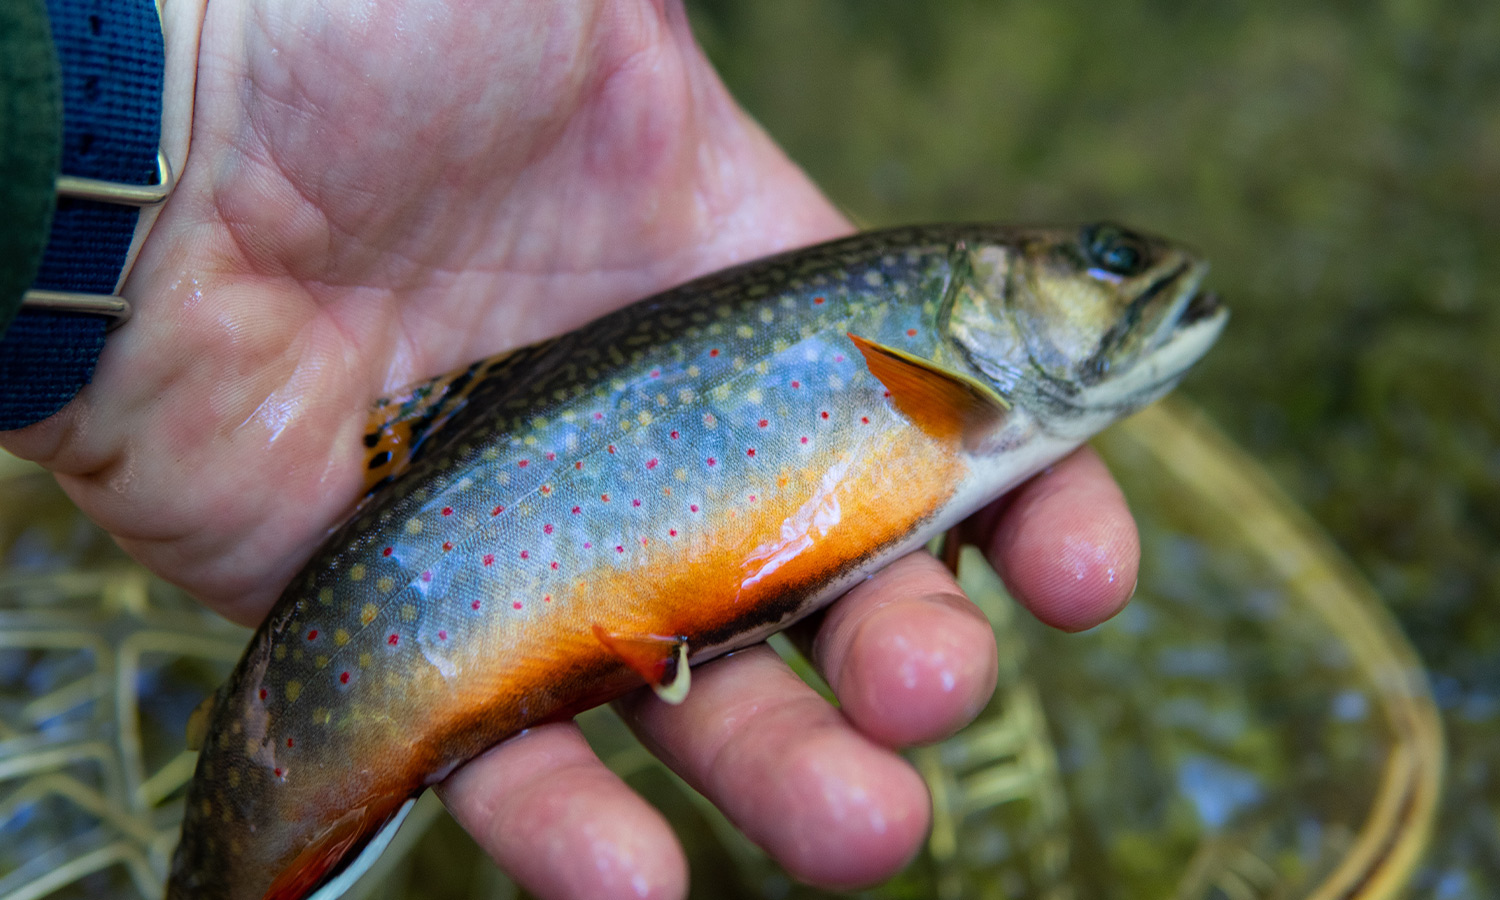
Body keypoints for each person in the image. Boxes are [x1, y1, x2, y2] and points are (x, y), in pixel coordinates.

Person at [1, 3, 1139, 898]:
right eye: (1105, 261)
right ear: (984, 289)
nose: (1134, 281)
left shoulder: (950, 371)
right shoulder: (950, 372)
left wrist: (160, 136)